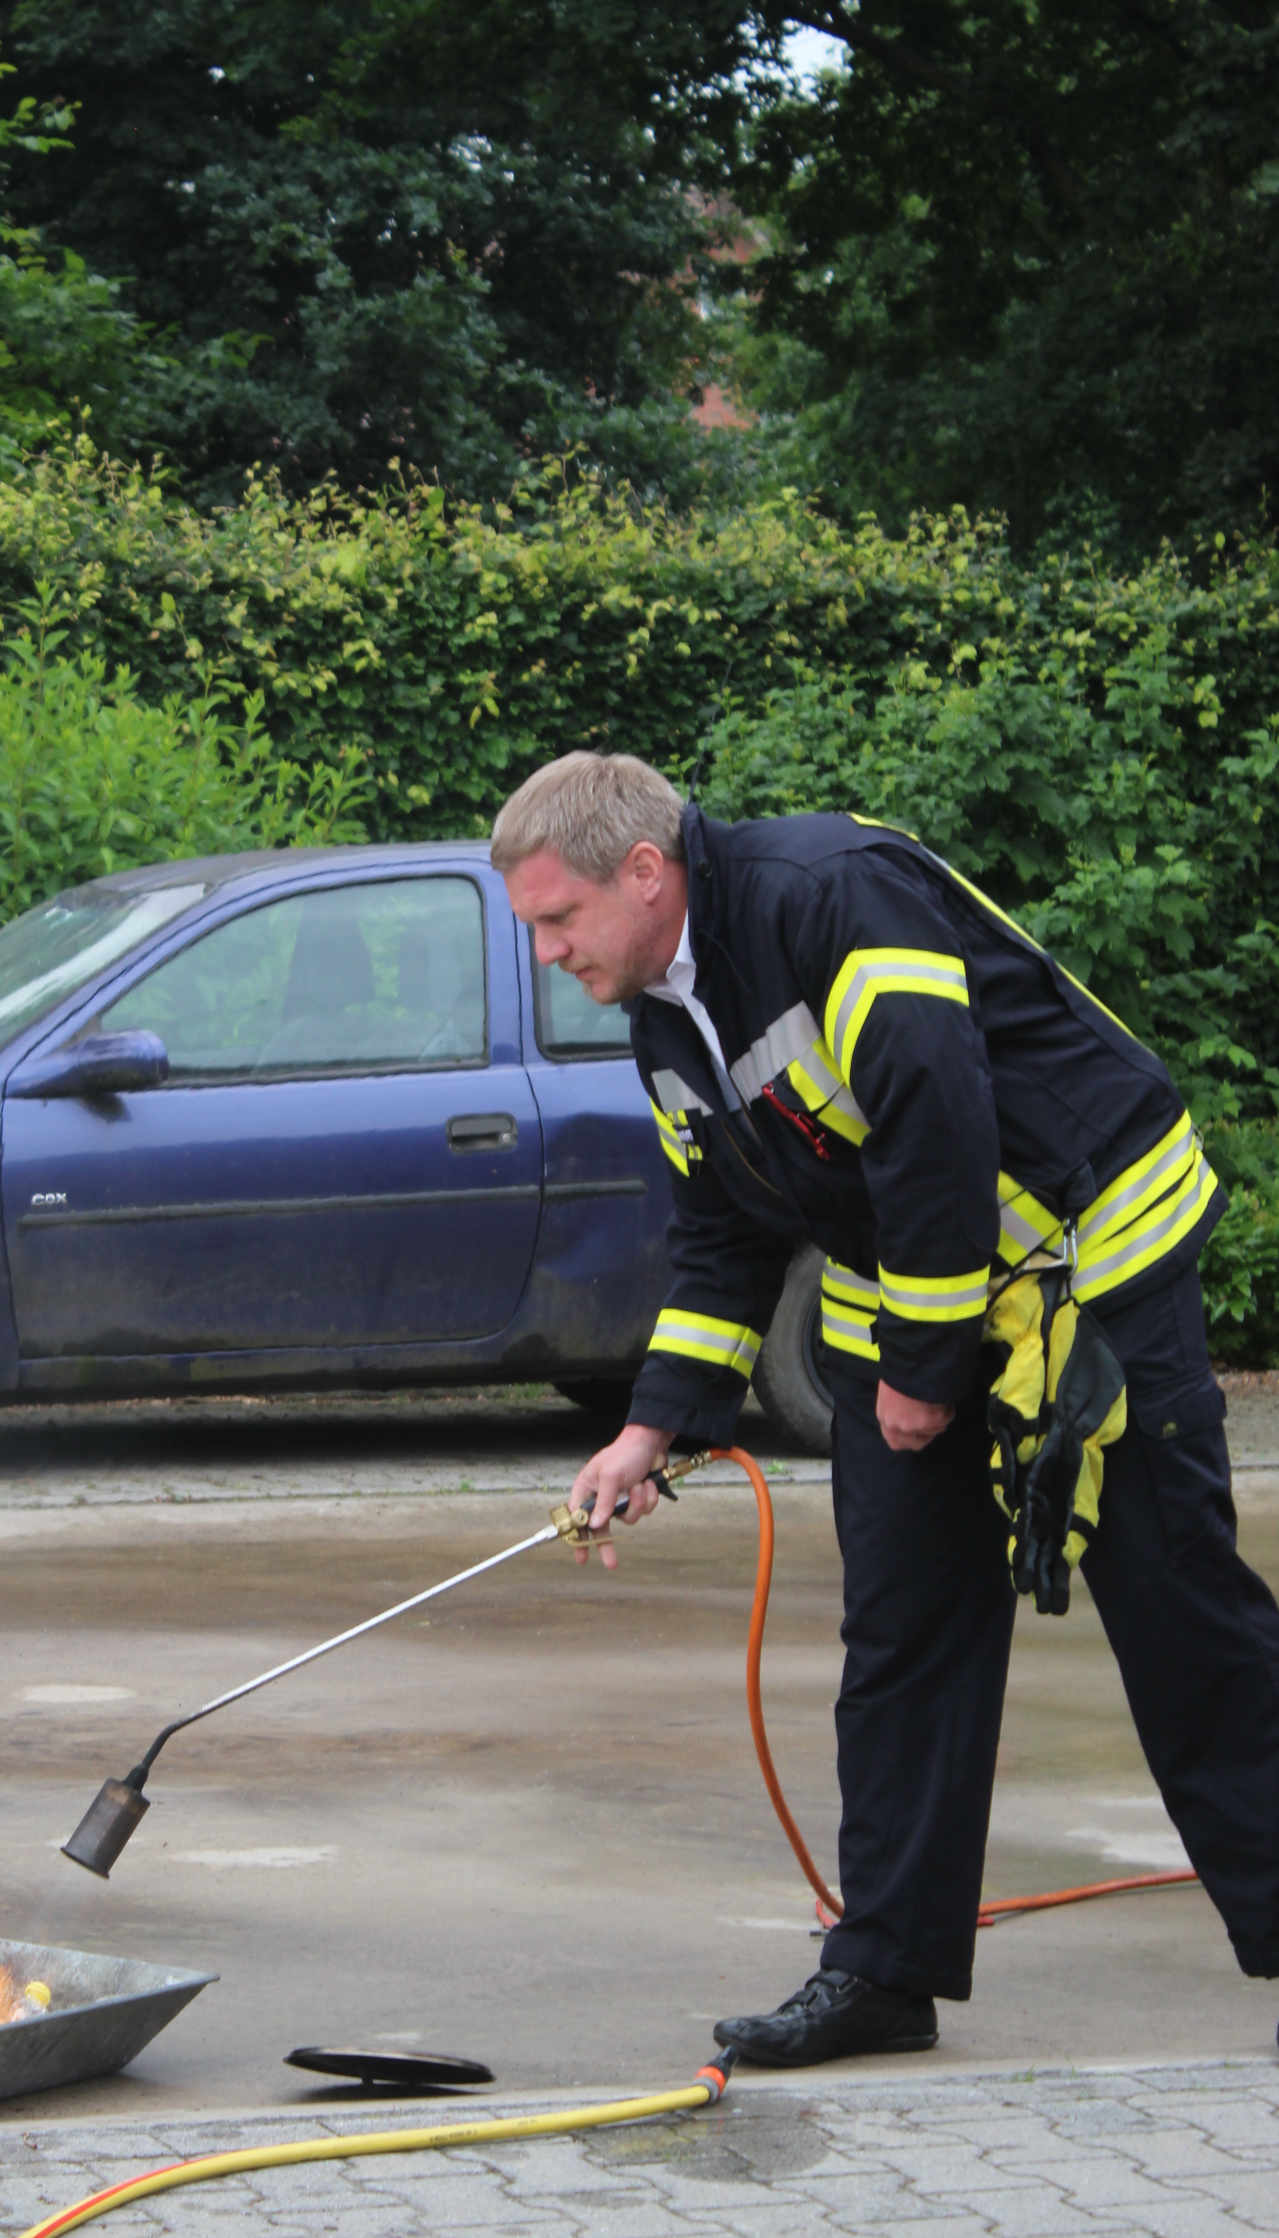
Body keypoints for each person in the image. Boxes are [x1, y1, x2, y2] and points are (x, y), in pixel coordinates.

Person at [494, 751, 1279, 2066]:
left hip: (1094, 1257)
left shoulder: (831, 895)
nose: (547, 953)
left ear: (644, 872)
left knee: (1176, 1601)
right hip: (928, 1288)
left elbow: (938, 1122)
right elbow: (724, 1230)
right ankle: (883, 1972)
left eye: (556, 919)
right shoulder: (663, 1012)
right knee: (904, 1631)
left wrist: (923, 1369)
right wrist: (654, 1426)